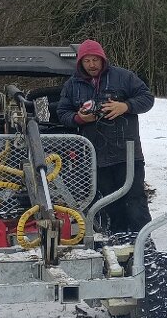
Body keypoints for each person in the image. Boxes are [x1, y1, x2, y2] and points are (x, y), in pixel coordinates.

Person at [57, 39, 155, 233]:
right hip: (96, 156)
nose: (92, 65)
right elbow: (62, 112)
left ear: (102, 59)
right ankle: (117, 241)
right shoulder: (72, 85)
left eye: (95, 60)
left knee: (135, 201)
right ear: (80, 63)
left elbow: (147, 98)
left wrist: (124, 106)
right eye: (87, 61)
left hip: (127, 153)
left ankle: (144, 244)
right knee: (110, 203)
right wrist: (80, 118)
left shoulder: (124, 77)